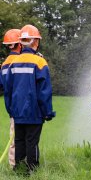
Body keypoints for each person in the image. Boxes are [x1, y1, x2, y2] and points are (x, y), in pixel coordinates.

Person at [4, 24, 55, 174]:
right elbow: (44, 92)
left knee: (19, 141)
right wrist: (47, 112)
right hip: (34, 112)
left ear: (21, 42)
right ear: (36, 42)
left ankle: (18, 171)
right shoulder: (40, 62)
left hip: (17, 112)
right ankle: (32, 171)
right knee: (32, 142)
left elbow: (8, 90)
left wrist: (11, 110)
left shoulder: (13, 62)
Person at [1, 29, 22, 167]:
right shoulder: (21, 61)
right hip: (24, 106)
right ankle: (22, 166)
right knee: (26, 138)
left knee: (14, 138)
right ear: (20, 44)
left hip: (11, 107)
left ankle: (13, 164)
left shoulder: (4, 64)